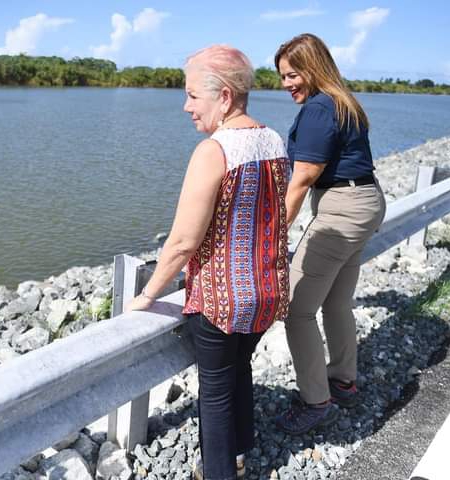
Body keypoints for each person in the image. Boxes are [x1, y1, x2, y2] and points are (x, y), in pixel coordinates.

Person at [125, 45, 290, 479]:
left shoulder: (214, 152)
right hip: (267, 294)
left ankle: (220, 472)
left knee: (214, 391)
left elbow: (182, 242)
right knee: (241, 366)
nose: (185, 106)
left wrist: (146, 295)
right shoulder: (273, 140)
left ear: (225, 97)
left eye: (193, 95)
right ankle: (240, 450)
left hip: (223, 301)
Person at [272, 33, 386, 435]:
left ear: (313, 67)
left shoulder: (320, 108)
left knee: (295, 308)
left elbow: (302, 178)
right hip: (365, 201)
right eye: (283, 77)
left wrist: (271, 237)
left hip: (342, 210)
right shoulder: (342, 100)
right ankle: (342, 380)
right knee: (336, 301)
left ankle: (315, 400)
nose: (287, 84)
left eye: (292, 74)